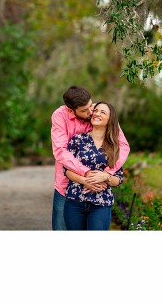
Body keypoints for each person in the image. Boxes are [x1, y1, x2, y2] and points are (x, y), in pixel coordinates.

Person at [50, 85, 129, 230]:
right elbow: (60, 151)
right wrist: (86, 175)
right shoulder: (60, 116)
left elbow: (123, 146)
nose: (91, 112)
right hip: (67, 186)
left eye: (91, 105)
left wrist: (106, 175)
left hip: (100, 193)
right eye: (85, 110)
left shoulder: (100, 112)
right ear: (71, 110)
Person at [63, 101, 124, 230]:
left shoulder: (115, 146)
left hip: (101, 203)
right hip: (75, 200)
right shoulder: (77, 139)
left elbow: (118, 179)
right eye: (95, 110)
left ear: (110, 119)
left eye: (103, 112)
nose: (96, 113)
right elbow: (67, 170)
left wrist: (105, 177)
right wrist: (85, 181)